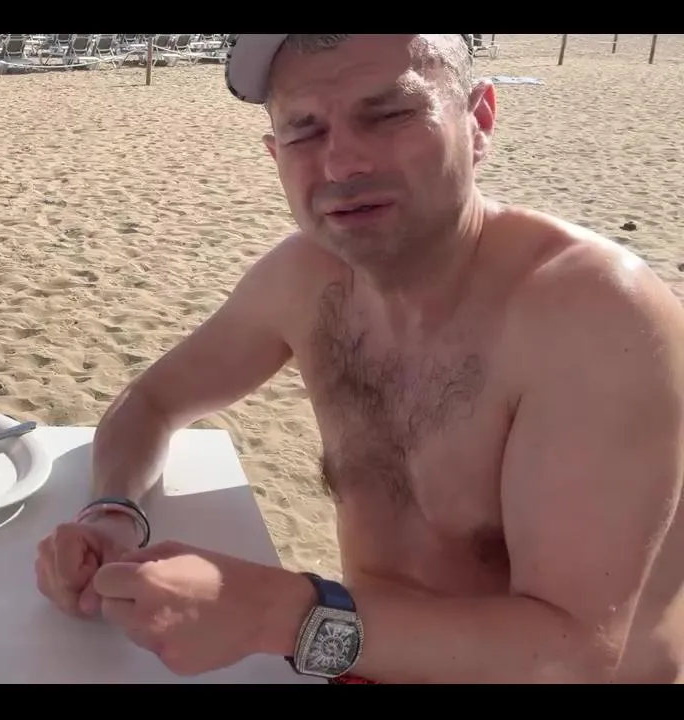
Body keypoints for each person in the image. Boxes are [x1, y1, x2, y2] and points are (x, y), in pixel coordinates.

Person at [33, 34, 684, 684]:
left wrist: (275, 613)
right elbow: (151, 402)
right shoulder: (306, 280)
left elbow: (577, 655)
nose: (342, 163)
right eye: (305, 130)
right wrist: (113, 515)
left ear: (479, 121)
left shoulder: (593, 314)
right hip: (362, 662)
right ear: (275, 154)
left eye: (390, 113)